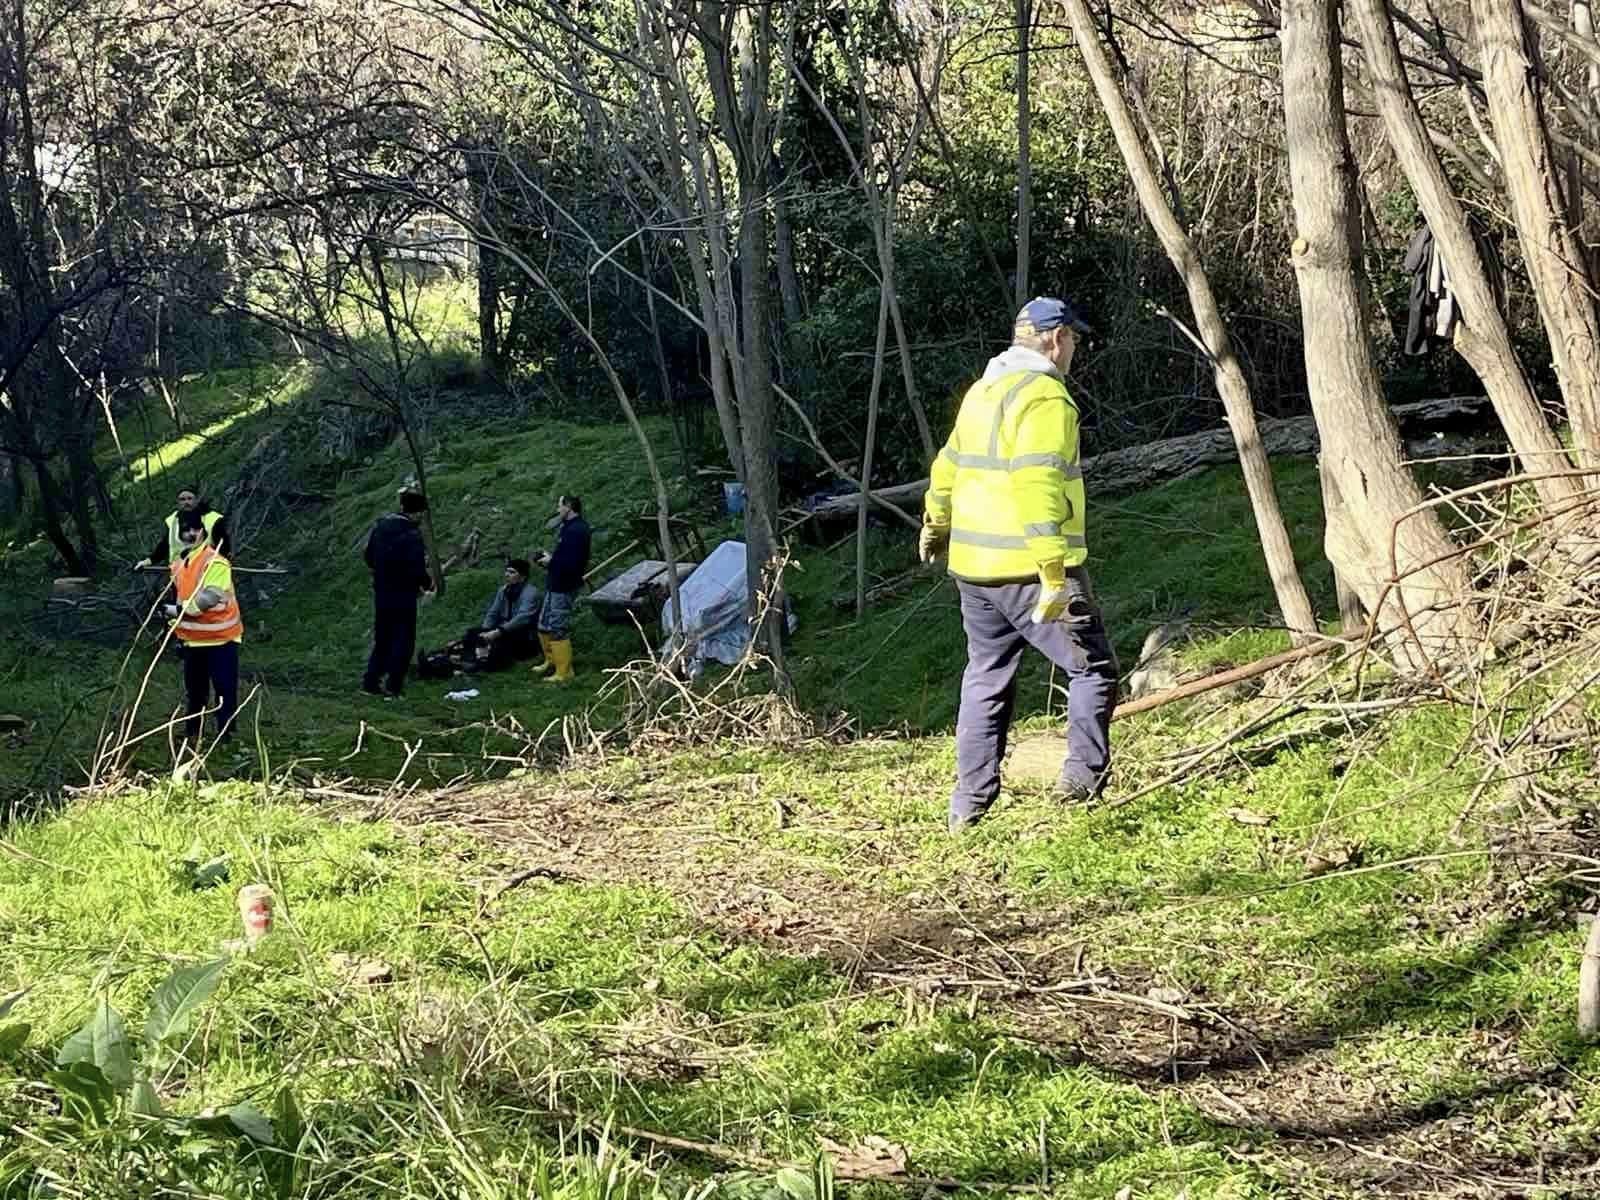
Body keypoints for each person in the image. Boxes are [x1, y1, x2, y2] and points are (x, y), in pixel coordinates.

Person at [920, 296, 1120, 833]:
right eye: (1074, 338)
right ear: (1056, 340)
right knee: (1093, 669)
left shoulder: (982, 392)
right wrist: (1053, 572)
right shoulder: (1046, 398)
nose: (1074, 348)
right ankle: (1081, 789)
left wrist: (936, 525)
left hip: (972, 568)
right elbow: (1038, 484)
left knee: (986, 676)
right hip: (1029, 570)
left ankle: (968, 805)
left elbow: (947, 467)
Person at [163, 511, 243, 751]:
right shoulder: (178, 563)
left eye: (194, 529)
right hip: (193, 641)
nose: (189, 534)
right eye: (185, 530)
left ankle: (226, 736)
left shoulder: (215, 561)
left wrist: (176, 611)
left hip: (222, 639)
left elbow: (207, 600)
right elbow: (178, 595)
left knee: (224, 690)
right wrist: (175, 629)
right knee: (195, 692)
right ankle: (192, 733)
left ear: (204, 532)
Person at [362, 488, 434, 699]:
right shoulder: (412, 534)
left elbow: (368, 556)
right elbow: (417, 568)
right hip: (403, 594)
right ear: (419, 513)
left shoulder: (381, 526)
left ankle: (371, 681)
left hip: (382, 590)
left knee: (383, 637)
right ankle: (394, 685)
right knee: (403, 640)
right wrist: (427, 583)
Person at [530, 494, 591, 683]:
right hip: (555, 582)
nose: (557, 509)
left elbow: (572, 562)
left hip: (565, 584)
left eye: (559, 506)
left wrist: (551, 561)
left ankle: (564, 671)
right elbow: (564, 555)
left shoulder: (578, 530)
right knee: (544, 623)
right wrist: (551, 558)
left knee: (557, 626)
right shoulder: (568, 528)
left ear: (569, 506)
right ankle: (551, 660)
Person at [461, 558, 541, 672]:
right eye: (507, 571)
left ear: (523, 577)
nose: (507, 575)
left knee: (499, 644)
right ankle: (471, 660)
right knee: (472, 634)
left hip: (523, 634)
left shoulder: (531, 593)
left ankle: (485, 662)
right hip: (503, 629)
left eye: (512, 572)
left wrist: (497, 632)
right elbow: (493, 612)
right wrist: (486, 630)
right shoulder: (503, 590)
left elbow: (522, 618)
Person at [136, 484, 228, 569]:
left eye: (190, 498)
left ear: (196, 500)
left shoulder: (212, 519)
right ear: (178, 502)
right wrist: (148, 561)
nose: (186, 502)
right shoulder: (173, 521)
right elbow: (164, 545)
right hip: (181, 571)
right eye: (182, 499)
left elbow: (224, 546)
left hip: (208, 569)